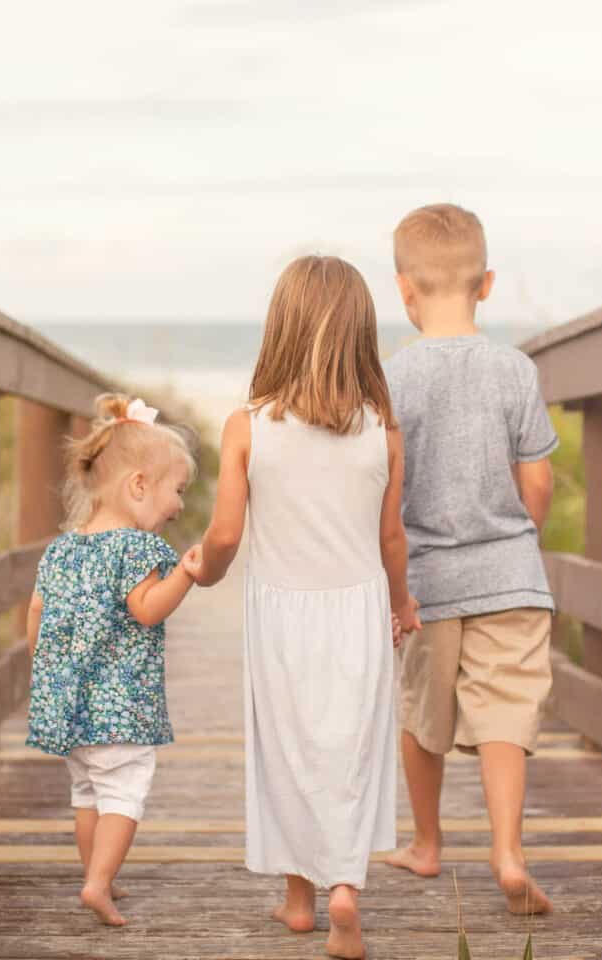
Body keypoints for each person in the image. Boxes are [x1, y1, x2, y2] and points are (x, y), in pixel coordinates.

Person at [186, 255, 418, 959]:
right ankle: (343, 887)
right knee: (349, 748)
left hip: (282, 615)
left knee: (288, 747)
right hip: (357, 611)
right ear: (361, 333)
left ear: (279, 331)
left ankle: (298, 902)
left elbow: (225, 532)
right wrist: (403, 606)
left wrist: (204, 570)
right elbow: (391, 538)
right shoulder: (383, 430)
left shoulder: (247, 427)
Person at [382, 204, 559, 915]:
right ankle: (508, 851)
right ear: (486, 284)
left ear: (404, 290)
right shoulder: (515, 370)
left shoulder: (390, 378)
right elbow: (537, 479)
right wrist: (521, 536)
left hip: (426, 582)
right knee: (506, 715)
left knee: (423, 714)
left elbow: (385, 489)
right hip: (511, 575)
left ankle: (427, 844)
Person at [24, 393, 200, 927]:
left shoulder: (61, 548)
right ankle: (98, 883)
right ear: (139, 485)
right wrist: (185, 575)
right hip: (120, 708)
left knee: (87, 792)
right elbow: (146, 610)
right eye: (178, 490)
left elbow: (36, 612)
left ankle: (95, 874)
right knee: (124, 790)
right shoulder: (138, 549)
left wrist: (46, 673)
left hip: (69, 704)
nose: (180, 505)